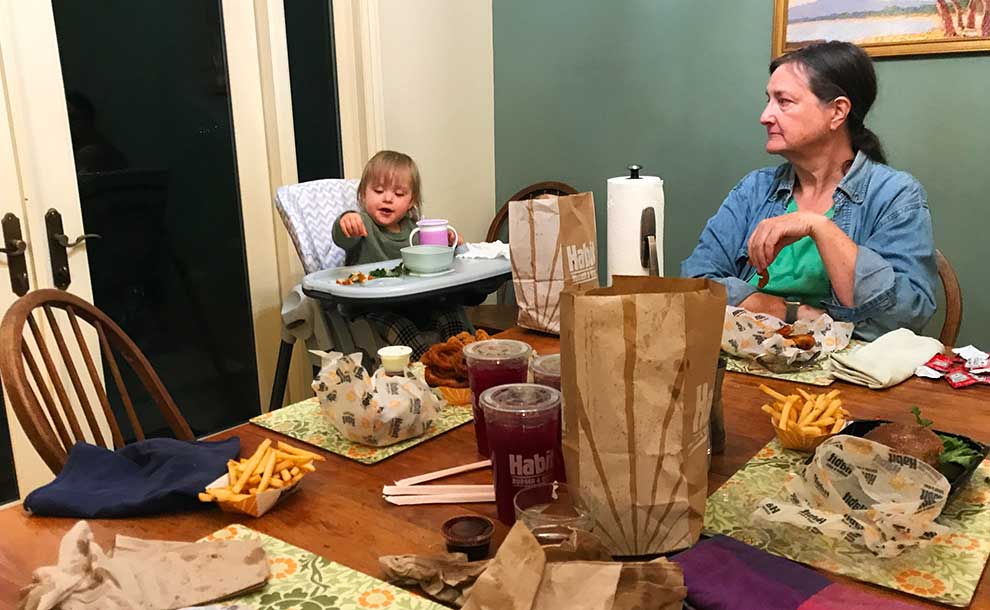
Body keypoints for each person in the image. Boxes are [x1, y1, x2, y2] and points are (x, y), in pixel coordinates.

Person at [681, 41, 936, 340]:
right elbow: (694, 285)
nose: (765, 116)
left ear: (837, 112)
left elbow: (904, 319)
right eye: (768, 100)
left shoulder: (895, 196)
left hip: (846, 377)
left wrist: (819, 227)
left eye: (784, 101)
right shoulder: (754, 189)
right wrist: (794, 313)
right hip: (747, 364)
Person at [332, 150, 467, 358]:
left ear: (411, 201)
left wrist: (449, 244)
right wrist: (347, 221)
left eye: (399, 194)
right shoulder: (363, 225)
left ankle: (463, 363)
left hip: (413, 304)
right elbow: (342, 237)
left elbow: (435, 261)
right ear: (362, 195)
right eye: (378, 190)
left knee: (451, 314)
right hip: (371, 310)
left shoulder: (414, 229)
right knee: (402, 328)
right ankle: (425, 370)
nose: (387, 198)